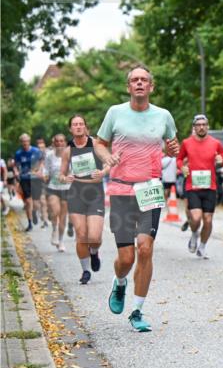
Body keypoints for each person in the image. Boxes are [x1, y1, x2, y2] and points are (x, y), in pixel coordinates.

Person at [93, 64, 179, 332]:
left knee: (145, 248)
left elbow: (173, 147)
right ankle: (120, 283)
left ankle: (138, 311)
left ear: (151, 87)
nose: (139, 83)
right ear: (128, 86)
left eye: (144, 80)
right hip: (120, 189)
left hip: (150, 189)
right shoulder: (115, 113)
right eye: (135, 80)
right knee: (126, 258)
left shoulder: (164, 115)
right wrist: (106, 156)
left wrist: (174, 149)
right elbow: (98, 142)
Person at [63, 115, 109, 284]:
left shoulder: (96, 144)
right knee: (81, 235)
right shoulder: (68, 150)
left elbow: (108, 162)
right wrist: (65, 177)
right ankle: (85, 271)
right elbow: (61, 174)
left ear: (85, 127)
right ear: (71, 129)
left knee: (95, 237)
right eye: (75, 124)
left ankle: (94, 252)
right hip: (76, 193)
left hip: (95, 192)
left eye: (81, 124)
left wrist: (103, 172)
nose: (78, 127)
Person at [177, 114, 223, 258]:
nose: (201, 127)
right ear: (194, 127)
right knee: (196, 218)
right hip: (192, 187)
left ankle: (203, 246)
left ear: (208, 126)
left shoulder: (215, 143)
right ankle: (194, 234)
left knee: (208, 219)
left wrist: (221, 160)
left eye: (203, 124)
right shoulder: (187, 143)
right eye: (198, 125)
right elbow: (179, 159)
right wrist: (182, 167)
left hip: (210, 187)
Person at [43, 133, 71, 251]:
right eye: (57, 141)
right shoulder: (49, 155)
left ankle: (60, 241)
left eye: (61, 141)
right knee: (55, 212)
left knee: (63, 216)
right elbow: (46, 169)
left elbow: (73, 171)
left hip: (66, 188)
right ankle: (54, 230)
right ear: (54, 143)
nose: (59, 143)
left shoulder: (70, 155)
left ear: (65, 143)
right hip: (53, 187)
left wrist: (68, 177)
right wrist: (45, 175)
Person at [13, 134, 43, 230]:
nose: (25, 143)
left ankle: (35, 212)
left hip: (35, 178)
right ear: (21, 142)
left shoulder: (36, 151)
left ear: (29, 141)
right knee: (28, 201)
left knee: (36, 201)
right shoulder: (18, 153)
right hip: (24, 178)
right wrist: (16, 172)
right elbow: (15, 165)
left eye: (26, 141)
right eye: (23, 141)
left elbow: (42, 161)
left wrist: (39, 170)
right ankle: (30, 223)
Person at [34, 137, 51, 228]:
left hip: (50, 180)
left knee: (49, 201)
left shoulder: (49, 153)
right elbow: (33, 169)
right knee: (43, 201)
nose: (41, 149)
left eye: (42, 147)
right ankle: (45, 219)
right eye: (39, 147)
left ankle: (46, 216)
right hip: (40, 181)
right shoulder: (35, 156)